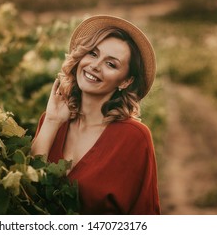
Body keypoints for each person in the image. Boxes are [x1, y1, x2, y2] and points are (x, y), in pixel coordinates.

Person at [31, 15, 160, 215]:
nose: (95, 66)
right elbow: (27, 191)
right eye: (93, 53)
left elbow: (144, 215)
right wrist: (51, 120)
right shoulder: (53, 121)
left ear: (125, 81)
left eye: (111, 64)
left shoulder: (135, 137)